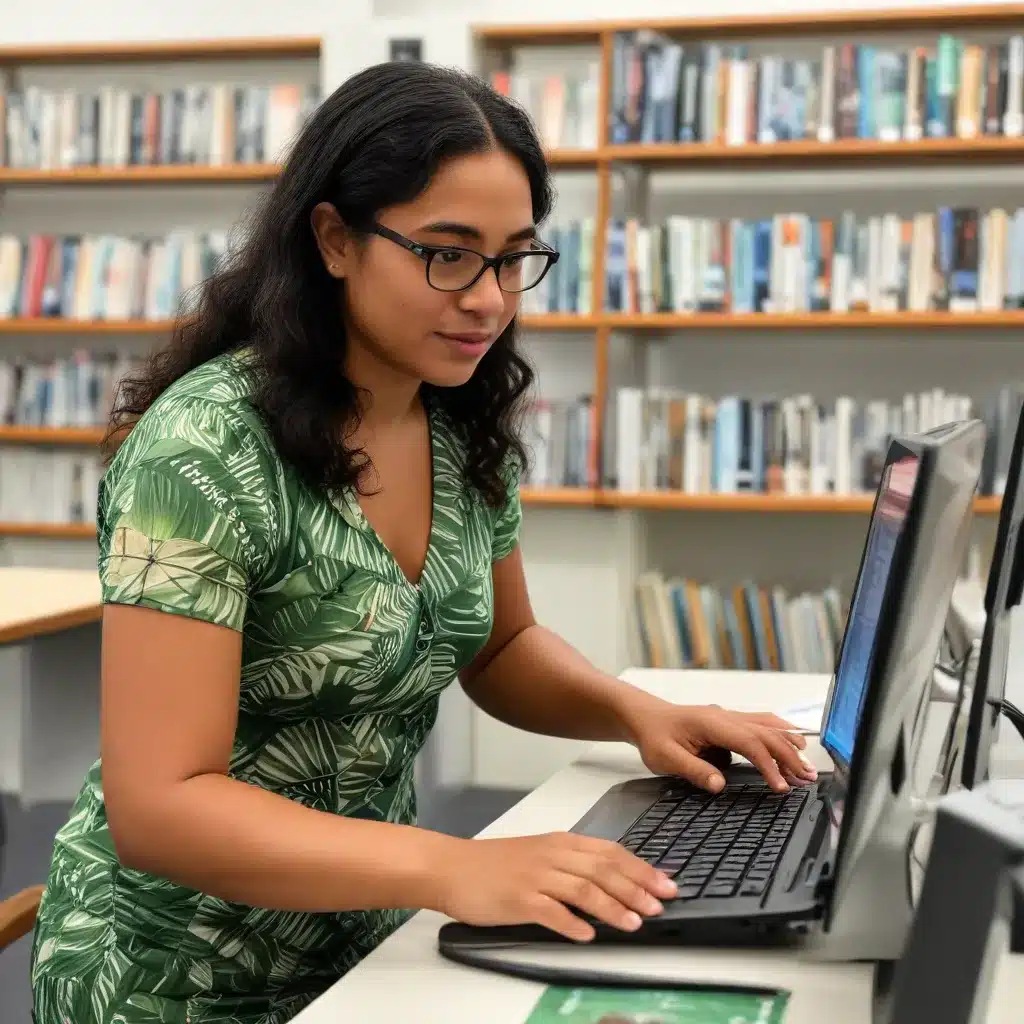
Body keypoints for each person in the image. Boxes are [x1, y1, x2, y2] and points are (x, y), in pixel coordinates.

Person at [29, 61, 816, 1023]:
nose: (489, 298)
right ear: (334, 240)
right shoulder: (201, 453)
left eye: (513, 257)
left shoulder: (458, 417)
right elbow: (163, 807)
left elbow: (501, 647)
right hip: (173, 975)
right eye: (448, 254)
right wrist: (454, 865)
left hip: (371, 933)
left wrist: (638, 712)